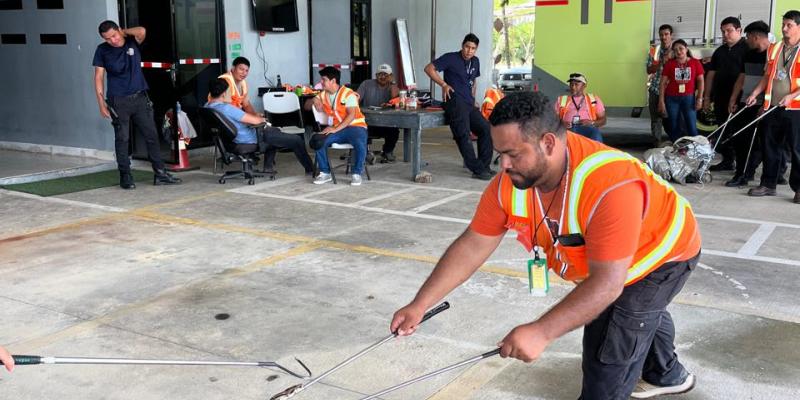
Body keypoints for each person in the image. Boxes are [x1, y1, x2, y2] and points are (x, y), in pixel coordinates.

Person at [391, 91, 701, 399]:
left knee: (610, 347)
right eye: (501, 155)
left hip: (663, 254)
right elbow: (473, 243)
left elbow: (607, 284)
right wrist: (420, 304)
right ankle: (666, 374)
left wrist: (541, 331)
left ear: (548, 143)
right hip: (620, 263)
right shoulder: (509, 185)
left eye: (514, 154)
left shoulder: (609, 184)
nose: (504, 166)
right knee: (641, 315)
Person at [93, 20, 181, 189]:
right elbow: (98, 77)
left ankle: (160, 173)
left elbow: (141, 30)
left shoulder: (132, 41)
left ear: (119, 31)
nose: (113, 40)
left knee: (152, 136)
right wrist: (101, 103)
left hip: (140, 98)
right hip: (118, 101)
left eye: (114, 35)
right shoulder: (102, 50)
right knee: (122, 139)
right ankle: (125, 176)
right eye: (108, 38)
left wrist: (124, 33)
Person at [745, 10, 800, 204]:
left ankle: (799, 189)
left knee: (797, 149)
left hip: (796, 108)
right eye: (783, 24)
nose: (784, 28)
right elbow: (767, 76)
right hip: (772, 106)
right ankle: (768, 184)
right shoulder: (774, 49)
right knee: (770, 146)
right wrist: (754, 94)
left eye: (789, 25)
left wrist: (791, 96)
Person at [726, 21, 790, 187]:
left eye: (748, 37)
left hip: (766, 105)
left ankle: (752, 174)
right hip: (746, 102)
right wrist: (734, 98)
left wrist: (764, 104)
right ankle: (742, 173)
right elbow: (742, 77)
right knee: (742, 140)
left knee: (763, 144)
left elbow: (773, 80)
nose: (746, 40)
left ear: (755, 37)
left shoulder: (775, 53)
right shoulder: (748, 54)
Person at [206, 78, 314, 175]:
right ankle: (311, 170)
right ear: (225, 93)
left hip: (230, 142)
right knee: (296, 140)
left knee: (274, 132)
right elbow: (255, 121)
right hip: (249, 139)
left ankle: (268, 168)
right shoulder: (227, 108)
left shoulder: (208, 107)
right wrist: (263, 119)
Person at [425, 33, 494, 180]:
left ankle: (484, 165)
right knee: (463, 134)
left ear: (476, 49)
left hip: (469, 103)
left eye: (473, 48)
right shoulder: (451, 58)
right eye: (467, 47)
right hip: (455, 102)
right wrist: (443, 84)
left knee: (485, 129)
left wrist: (473, 98)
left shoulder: (475, 61)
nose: (469, 51)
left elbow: (473, 81)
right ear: (462, 46)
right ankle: (476, 168)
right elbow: (429, 68)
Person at [307, 66, 369, 186]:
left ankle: (356, 173)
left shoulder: (348, 94)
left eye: (324, 80)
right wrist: (314, 99)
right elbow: (306, 106)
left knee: (359, 143)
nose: (321, 82)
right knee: (318, 140)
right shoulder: (323, 94)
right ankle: (325, 173)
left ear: (333, 81)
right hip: (338, 129)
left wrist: (334, 129)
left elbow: (351, 115)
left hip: (356, 126)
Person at [705, 17, 748, 172]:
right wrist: (706, 97)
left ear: (739, 30)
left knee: (739, 132)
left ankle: (742, 166)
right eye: (723, 31)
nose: (725, 34)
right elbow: (710, 74)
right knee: (722, 129)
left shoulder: (747, 49)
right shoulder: (720, 51)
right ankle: (728, 160)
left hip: (740, 100)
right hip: (720, 98)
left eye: (729, 31)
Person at [659, 40, 705, 141]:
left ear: (686, 49)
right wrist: (661, 101)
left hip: (689, 98)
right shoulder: (670, 64)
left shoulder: (695, 63)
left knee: (692, 126)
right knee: (674, 125)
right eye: (675, 50)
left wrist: (700, 98)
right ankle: (677, 148)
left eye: (681, 48)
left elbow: (701, 81)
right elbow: (662, 83)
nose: (679, 52)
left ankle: (695, 148)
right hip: (671, 99)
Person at [357, 63, 400, 163]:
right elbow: (356, 99)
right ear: (376, 75)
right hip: (367, 121)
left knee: (394, 130)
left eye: (386, 74)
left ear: (391, 76)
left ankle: (387, 152)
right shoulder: (366, 84)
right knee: (360, 129)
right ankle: (365, 153)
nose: (383, 77)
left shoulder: (392, 86)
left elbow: (395, 100)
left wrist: (393, 83)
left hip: (385, 122)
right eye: (380, 74)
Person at [554, 73, 607, 142]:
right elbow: (553, 119)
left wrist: (592, 123)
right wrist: (561, 123)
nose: (573, 87)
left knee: (595, 135)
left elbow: (603, 120)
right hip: (567, 129)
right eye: (571, 84)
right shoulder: (561, 100)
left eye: (576, 84)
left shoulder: (594, 99)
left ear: (584, 86)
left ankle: (596, 151)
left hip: (587, 129)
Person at [647, 24, 674, 145]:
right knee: (655, 120)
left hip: (671, 91)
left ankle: (675, 142)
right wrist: (660, 62)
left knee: (671, 119)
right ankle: (656, 144)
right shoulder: (654, 50)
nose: (664, 37)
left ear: (671, 35)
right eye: (661, 35)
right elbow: (649, 70)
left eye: (666, 34)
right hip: (655, 89)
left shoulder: (678, 49)